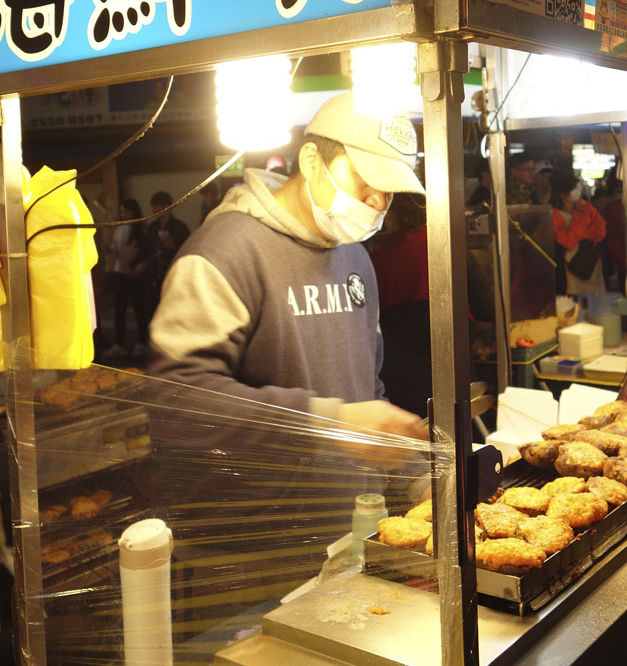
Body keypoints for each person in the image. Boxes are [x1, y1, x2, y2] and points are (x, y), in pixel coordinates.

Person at [148, 94, 427, 444]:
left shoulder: (355, 256)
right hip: (260, 499)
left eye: (390, 189)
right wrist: (329, 419)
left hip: (356, 498)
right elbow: (178, 399)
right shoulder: (225, 253)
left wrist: (410, 475)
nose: (379, 201)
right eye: (365, 177)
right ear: (311, 161)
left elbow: (366, 388)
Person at [370, 193, 431, 419]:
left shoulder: (378, 258)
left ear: (391, 215)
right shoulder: (443, 244)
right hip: (450, 367)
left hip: (401, 372)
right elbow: (482, 300)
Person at [131, 191, 190, 340]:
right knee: (151, 309)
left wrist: (173, 247)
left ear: (166, 206)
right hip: (153, 275)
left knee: (172, 310)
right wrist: (133, 264)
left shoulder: (180, 227)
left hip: (172, 274)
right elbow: (145, 249)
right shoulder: (153, 226)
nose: (154, 210)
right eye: (153, 207)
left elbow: (188, 250)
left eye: (157, 206)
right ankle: (151, 342)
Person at [103, 197, 146, 358]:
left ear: (134, 211)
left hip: (135, 273)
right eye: (122, 211)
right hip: (120, 272)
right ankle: (119, 344)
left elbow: (144, 251)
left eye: (126, 211)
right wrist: (109, 248)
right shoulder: (120, 228)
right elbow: (116, 251)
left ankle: (141, 343)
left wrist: (137, 267)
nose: (124, 214)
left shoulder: (140, 227)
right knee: (119, 310)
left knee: (138, 309)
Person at [552, 171, 607, 296]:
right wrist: (581, 218)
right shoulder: (555, 216)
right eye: (575, 188)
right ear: (564, 195)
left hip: (593, 267)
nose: (579, 191)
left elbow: (601, 232)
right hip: (573, 270)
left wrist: (577, 232)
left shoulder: (586, 207)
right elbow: (568, 243)